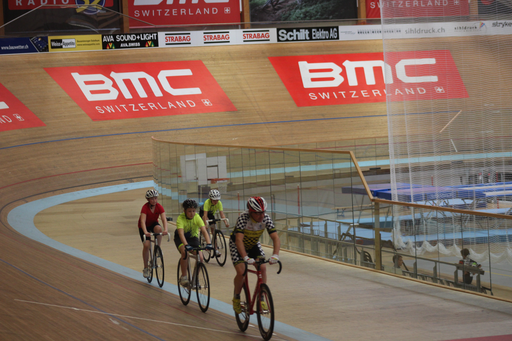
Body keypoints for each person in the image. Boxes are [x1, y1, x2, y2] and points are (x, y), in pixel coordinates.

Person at [230, 196, 281, 314]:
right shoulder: (243, 218)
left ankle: (261, 296)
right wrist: (245, 257)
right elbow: (238, 240)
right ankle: (236, 297)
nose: (261, 216)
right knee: (241, 271)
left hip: (253, 244)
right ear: (250, 212)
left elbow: (275, 238)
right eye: (258, 213)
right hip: (238, 245)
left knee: (262, 267)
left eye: (263, 212)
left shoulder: (266, 219)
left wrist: (275, 255)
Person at [174, 199, 213, 286]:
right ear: (184, 211)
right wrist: (186, 245)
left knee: (201, 258)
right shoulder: (180, 218)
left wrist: (209, 243)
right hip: (181, 238)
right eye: (189, 211)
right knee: (185, 252)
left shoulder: (197, 217)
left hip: (192, 238)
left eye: (193, 211)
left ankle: (195, 277)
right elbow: (181, 234)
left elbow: (204, 231)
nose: (192, 213)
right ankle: (184, 276)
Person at [138, 189, 168, 279]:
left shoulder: (159, 206)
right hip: (144, 226)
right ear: (148, 199)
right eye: (152, 199)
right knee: (146, 245)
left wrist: (165, 229)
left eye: (155, 198)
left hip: (153, 224)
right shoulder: (145, 207)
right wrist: (145, 232)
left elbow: (163, 219)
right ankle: (146, 268)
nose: (154, 200)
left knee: (159, 228)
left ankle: (158, 248)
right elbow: (142, 221)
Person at [201, 189, 230, 255]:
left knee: (214, 230)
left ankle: (215, 249)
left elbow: (222, 214)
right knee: (206, 224)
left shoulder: (219, 203)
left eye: (217, 200)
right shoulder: (207, 202)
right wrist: (205, 225)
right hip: (204, 212)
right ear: (210, 199)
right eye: (214, 200)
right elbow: (205, 215)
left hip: (211, 214)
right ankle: (204, 236)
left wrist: (225, 222)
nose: (216, 202)